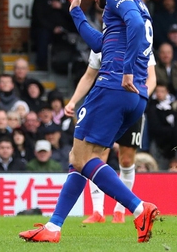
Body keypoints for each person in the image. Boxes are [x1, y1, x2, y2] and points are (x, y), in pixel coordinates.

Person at [19, 0, 159, 244]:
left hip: (113, 88)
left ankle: (138, 208)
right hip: (135, 98)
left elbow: (132, 25)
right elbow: (101, 44)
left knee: (83, 158)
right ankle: (54, 227)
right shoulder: (131, 2)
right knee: (79, 159)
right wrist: (76, 12)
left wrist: (128, 69)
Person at [65, 47, 157, 224]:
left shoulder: (141, 41)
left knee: (127, 160)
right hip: (107, 108)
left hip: (132, 106)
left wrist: (141, 97)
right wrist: (73, 101)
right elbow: (89, 76)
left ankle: (120, 211)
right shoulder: (102, 43)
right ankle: (98, 211)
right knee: (97, 156)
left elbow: (151, 77)